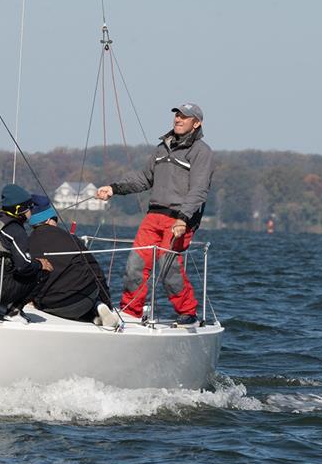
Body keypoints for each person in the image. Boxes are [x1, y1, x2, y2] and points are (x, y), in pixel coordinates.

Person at [96, 103, 214, 326]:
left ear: (196, 123)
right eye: (177, 116)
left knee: (168, 267)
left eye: (184, 117)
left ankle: (188, 313)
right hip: (153, 216)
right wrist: (113, 188)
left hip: (179, 219)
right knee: (134, 265)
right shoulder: (162, 148)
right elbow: (144, 178)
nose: (178, 120)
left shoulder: (202, 151)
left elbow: (199, 189)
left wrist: (183, 218)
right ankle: (131, 311)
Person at [27, 195, 118, 327]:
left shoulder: (26, 243)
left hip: (55, 304)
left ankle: (93, 314)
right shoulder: (70, 238)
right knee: (86, 294)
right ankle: (97, 308)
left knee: (56, 303)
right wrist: (107, 302)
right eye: (55, 219)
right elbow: (95, 269)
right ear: (48, 220)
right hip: (86, 296)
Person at [0, 184, 53, 318]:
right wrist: (39, 264)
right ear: (20, 209)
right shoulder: (15, 229)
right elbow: (24, 267)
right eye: (30, 207)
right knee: (43, 269)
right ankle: (14, 311)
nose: (31, 211)